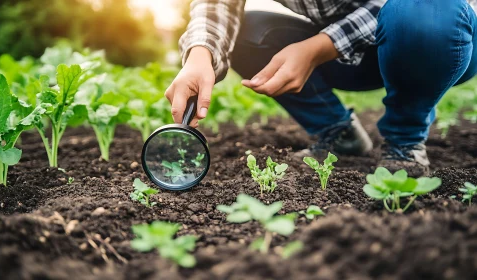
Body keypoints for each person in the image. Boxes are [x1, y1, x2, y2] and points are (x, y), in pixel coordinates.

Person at [165, 0, 477, 177]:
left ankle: (405, 140)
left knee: (424, 13)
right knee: (249, 34)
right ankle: (338, 132)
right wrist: (200, 54)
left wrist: (317, 48)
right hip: (351, 52)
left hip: (439, 38)